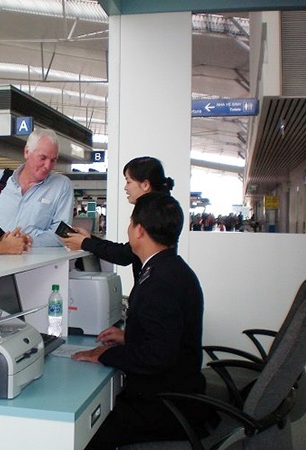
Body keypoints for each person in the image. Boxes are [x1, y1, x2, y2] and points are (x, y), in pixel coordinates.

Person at [72, 192, 207, 449]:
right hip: (174, 391)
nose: (129, 229)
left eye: (131, 223)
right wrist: (129, 337)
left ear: (140, 230)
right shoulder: (170, 268)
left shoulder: (159, 283)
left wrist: (104, 354)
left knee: (84, 436)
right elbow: (166, 337)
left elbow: (155, 358)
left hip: (162, 406)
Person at [61, 156, 174, 281]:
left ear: (145, 185)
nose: (126, 188)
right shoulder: (160, 209)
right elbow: (126, 251)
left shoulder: (153, 214)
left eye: (128, 182)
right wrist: (89, 239)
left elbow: (124, 255)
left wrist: (85, 243)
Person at [0, 128, 74, 247]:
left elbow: (62, 234)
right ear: (27, 152)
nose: (48, 166)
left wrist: (27, 241)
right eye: (43, 158)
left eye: (53, 160)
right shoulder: (0, 179)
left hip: (35, 257)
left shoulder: (61, 186)